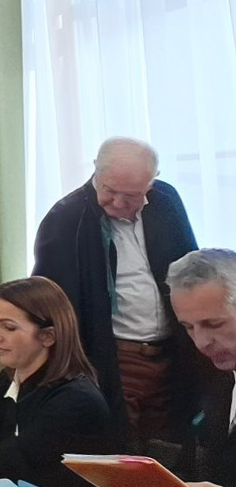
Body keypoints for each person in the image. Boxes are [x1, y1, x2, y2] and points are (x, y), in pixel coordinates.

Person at [32, 137, 203, 448]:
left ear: (152, 182)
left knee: (174, 447)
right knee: (124, 450)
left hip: (173, 352)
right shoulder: (67, 218)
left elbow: (191, 269)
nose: (118, 203)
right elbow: (50, 304)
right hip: (116, 359)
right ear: (96, 172)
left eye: (132, 195)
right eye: (109, 191)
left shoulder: (165, 201)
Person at [102, 249, 236, 487]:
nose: (201, 342)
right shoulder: (217, 384)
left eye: (214, 324)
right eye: (188, 327)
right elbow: (210, 476)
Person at [0, 278, 115, 487]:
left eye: (8, 327)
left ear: (48, 336)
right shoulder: (13, 378)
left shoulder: (76, 400)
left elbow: (4, 464)